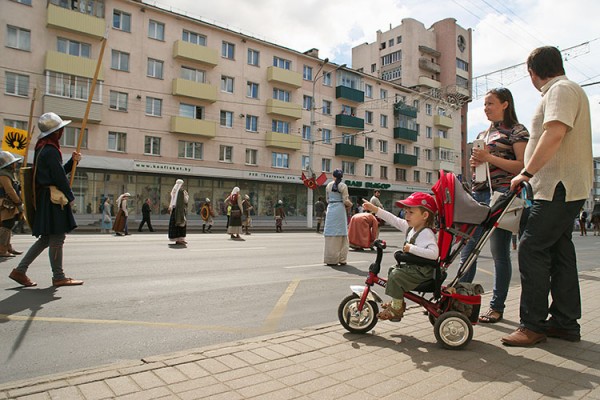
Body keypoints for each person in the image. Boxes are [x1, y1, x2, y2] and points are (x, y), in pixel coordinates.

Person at [502, 46, 593, 347]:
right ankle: (566, 323)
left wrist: (526, 172)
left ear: (532, 73)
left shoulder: (559, 90)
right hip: (563, 187)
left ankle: (532, 325)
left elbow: (554, 133)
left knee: (531, 248)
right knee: (559, 252)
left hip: (558, 186)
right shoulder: (569, 89)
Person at [459, 87, 529, 325]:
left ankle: (496, 307)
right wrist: (476, 163)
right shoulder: (483, 133)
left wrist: (489, 158)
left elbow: (521, 166)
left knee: (500, 253)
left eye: (490, 103)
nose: (486, 108)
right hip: (480, 194)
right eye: (485, 104)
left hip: (504, 196)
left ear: (505, 104)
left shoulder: (518, 130)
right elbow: (482, 167)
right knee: (468, 249)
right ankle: (462, 302)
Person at [8, 112, 83, 287]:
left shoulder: (43, 148)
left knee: (46, 239)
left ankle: (20, 271)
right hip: (52, 200)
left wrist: (73, 162)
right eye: (61, 130)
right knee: (57, 237)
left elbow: (58, 172)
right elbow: (59, 178)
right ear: (55, 133)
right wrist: (70, 197)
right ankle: (59, 276)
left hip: (46, 198)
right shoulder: (50, 150)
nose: (62, 132)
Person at [362, 192, 439, 321]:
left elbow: (434, 254)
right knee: (393, 270)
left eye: (411, 212)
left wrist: (412, 248)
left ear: (425, 215)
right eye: (406, 212)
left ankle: (396, 309)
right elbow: (393, 219)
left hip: (422, 272)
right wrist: (375, 209)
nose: (406, 215)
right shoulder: (411, 228)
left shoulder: (426, 233)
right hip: (414, 269)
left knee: (396, 275)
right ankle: (398, 302)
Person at [323, 169, 353, 266]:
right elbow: (345, 201)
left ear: (333, 176)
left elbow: (327, 199)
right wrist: (350, 205)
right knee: (342, 234)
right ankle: (342, 259)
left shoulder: (328, 185)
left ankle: (330, 259)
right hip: (340, 210)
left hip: (331, 209)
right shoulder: (343, 186)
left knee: (330, 233)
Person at [0, 151, 24, 257]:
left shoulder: (9, 174)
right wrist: (18, 202)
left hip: (8, 204)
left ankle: (7, 246)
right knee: (6, 225)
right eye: (13, 163)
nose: (15, 164)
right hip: (4, 204)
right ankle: (2, 249)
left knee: (8, 224)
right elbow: (9, 190)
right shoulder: (3, 175)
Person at [168, 179, 188, 245]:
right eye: (182, 184)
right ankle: (179, 239)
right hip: (180, 210)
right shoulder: (181, 191)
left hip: (174, 210)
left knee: (177, 225)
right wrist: (186, 195)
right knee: (180, 224)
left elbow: (172, 201)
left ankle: (179, 239)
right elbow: (186, 200)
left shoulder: (174, 191)